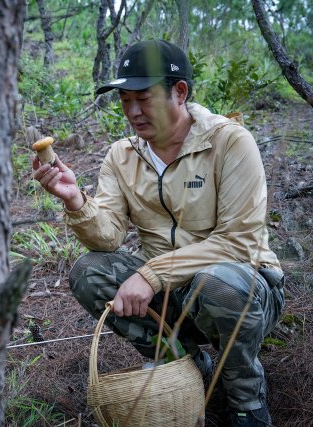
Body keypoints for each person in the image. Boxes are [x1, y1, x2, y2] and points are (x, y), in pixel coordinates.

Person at [32, 39, 284, 426]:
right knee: (89, 270)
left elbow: (239, 241)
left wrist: (150, 275)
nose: (132, 112)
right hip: (171, 293)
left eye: (144, 98)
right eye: (125, 100)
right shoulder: (122, 155)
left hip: (243, 286)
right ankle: (183, 366)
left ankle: (245, 398)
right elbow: (108, 239)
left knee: (215, 282)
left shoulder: (230, 142)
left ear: (179, 92)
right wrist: (75, 201)